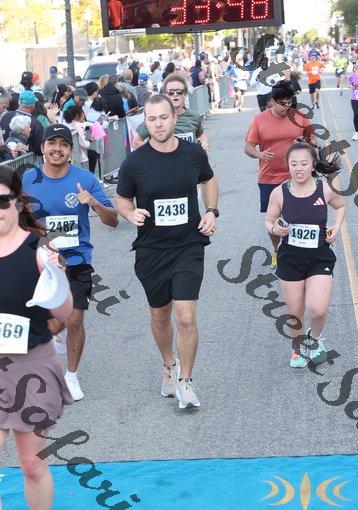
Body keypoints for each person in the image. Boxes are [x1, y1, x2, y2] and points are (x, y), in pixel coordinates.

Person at [114, 94, 218, 409]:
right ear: (145, 123)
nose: (158, 124)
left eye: (163, 117)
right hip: (151, 250)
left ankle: (186, 381)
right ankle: (169, 364)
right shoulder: (134, 162)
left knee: (185, 316)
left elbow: (209, 180)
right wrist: (130, 213)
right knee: (160, 315)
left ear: (174, 117)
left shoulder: (193, 153)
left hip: (188, 244)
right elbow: (122, 199)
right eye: (152, 119)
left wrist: (211, 211)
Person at [0, 165, 73, 510]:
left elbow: (63, 314)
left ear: (17, 202)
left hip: (30, 364)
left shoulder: (38, 248)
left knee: (31, 462)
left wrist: (55, 276)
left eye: (2, 201)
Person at [22, 124, 118, 400]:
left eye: (63, 144)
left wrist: (93, 203)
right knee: (48, 324)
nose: (57, 149)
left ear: (70, 150)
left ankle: (71, 376)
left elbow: (112, 220)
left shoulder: (85, 179)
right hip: (40, 262)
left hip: (77, 260)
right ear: (42, 148)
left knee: (75, 319)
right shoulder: (28, 179)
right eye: (52, 143)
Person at [265, 141, 346, 367]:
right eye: (293, 164)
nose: (298, 168)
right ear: (287, 165)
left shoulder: (324, 189)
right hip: (290, 258)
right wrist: (275, 230)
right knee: (295, 311)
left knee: (318, 309)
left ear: (312, 165)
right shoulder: (279, 193)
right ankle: (298, 347)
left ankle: (315, 339)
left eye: (303, 163)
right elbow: (269, 221)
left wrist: (336, 228)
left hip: (319, 256)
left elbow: (341, 206)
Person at [244, 81, 314, 268]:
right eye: (283, 103)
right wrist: (259, 154)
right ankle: (277, 250)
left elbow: (313, 141)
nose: (286, 107)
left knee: (299, 217)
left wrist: (305, 142)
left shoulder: (299, 117)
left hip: (296, 177)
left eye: (289, 103)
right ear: (272, 101)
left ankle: (298, 251)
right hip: (268, 178)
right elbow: (248, 148)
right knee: (273, 219)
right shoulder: (259, 120)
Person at [133, 73, 210, 150]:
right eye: (171, 92)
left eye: (179, 92)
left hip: (189, 157)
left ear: (185, 94)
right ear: (165, 94)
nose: (175, 95)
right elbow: (136, 142)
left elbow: (201, 134)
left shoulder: (194, 116)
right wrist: (155, 152)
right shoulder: (156, 118)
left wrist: (204, 143)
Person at [0, 90, 44, 156]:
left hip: (5, 158)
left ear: (19, 103)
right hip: (23, 161)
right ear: (33, 106)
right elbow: (40, 149)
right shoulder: (35, 123)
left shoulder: (6, 116)